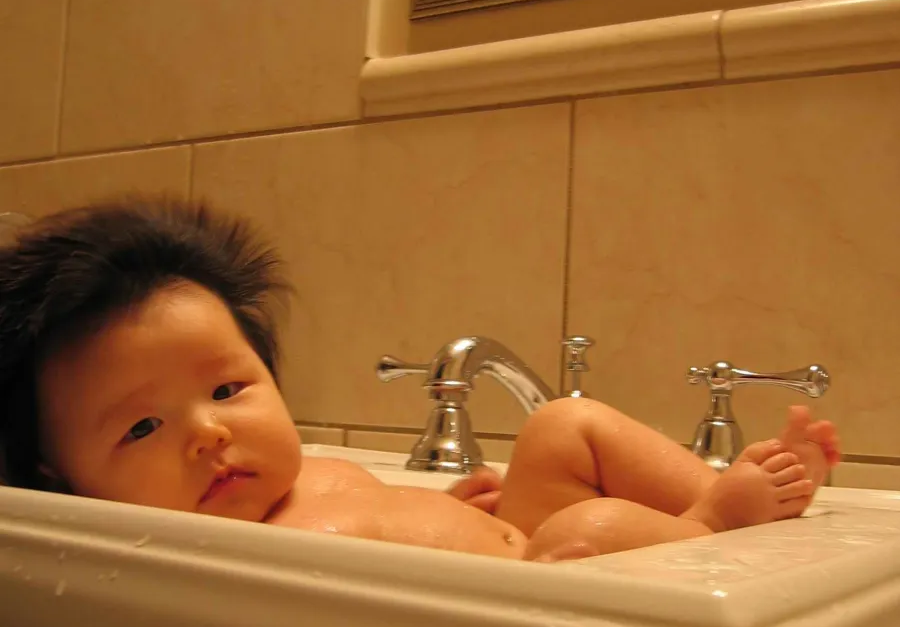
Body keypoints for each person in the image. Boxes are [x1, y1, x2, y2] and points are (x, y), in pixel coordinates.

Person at [0, 199, 840, 563]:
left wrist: (458, 511)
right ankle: (710, 524)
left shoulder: (302, 476)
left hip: (517, 540)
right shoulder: (222, 555)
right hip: (546, 583)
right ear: (61, 481)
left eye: (227, 391)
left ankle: (724, 493)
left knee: (563, 424)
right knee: (587, 523)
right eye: (142, 428)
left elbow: (392, 522)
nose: (209, 432)